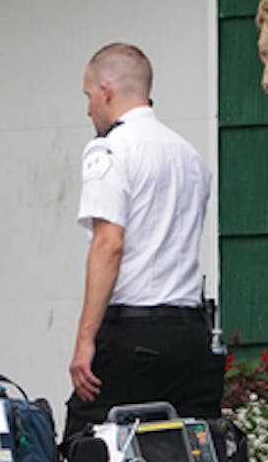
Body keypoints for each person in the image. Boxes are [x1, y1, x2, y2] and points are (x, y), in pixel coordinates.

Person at [63, 42, 221, 439]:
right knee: (180, 460)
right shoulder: (189, 156)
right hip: (191, 333)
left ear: (106, 91)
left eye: (87, 96)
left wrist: (85, 340)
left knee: (88, 450)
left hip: (134, 331)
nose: (87, 109)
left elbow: (109, 244)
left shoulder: (110, 149)